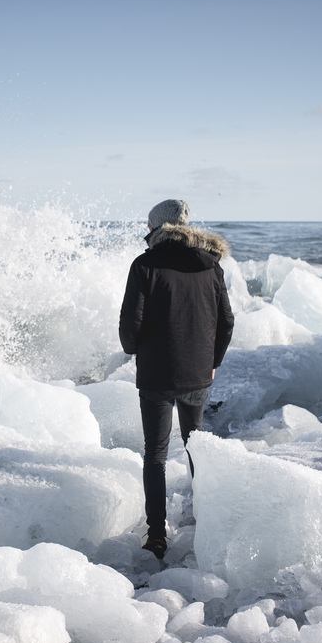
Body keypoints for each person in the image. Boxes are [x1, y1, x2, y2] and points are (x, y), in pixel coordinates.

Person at [118, 199, 234, 559]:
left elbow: (130, 324)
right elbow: (226, 321)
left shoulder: (145, 264)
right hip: (198, 374)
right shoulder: (211, 265)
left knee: (155, 453)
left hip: (156, 373)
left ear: (157, 228)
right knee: (195, 446)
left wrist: (134, 349)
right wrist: (212, 361)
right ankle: (205, 522)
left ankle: (156, 535)